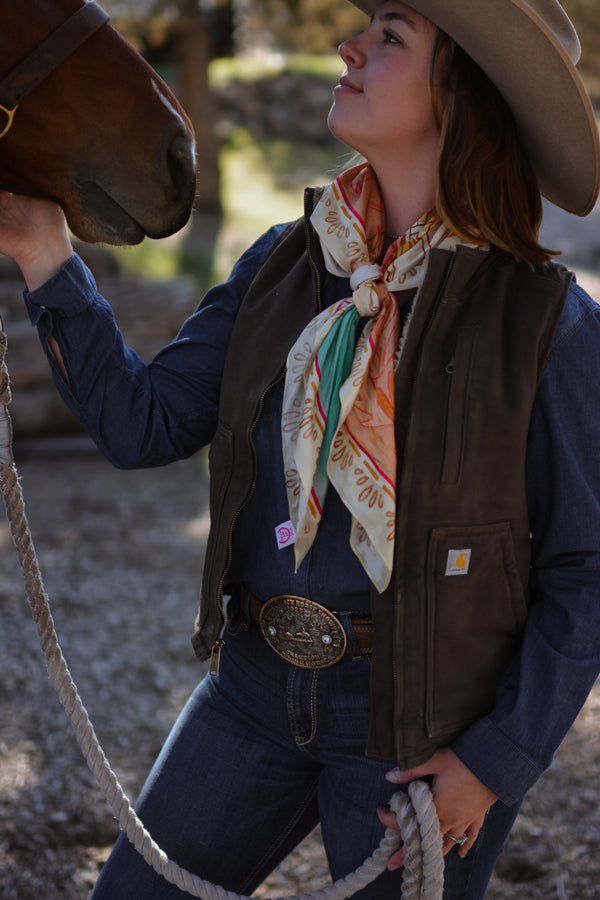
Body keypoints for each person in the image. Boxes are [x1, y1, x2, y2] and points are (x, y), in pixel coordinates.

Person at [0, 1, 599, 897]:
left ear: (459, 95)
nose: (348, 47)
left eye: (390, 37)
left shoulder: (546, 321)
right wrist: (46, 257)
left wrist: (495, 760)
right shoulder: (282, 267)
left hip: (418, 734)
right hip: (251, 689)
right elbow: (143, 425)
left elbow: (585, 569)